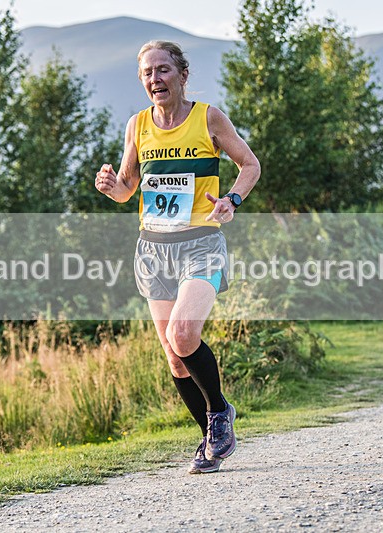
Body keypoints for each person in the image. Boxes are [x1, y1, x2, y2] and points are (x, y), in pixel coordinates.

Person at [95, 40, 261, 473]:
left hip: (201, 242)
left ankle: (220, 412)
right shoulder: (137, 126)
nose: (156, 79)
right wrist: (112, 186)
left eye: (163, 70)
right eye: (148, 73)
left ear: (182, 74)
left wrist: (232, 200)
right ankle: (210, 436)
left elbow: (250, 165)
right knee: (173, 354)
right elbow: (128, 188)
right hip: (153, 249)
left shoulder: (208, 118)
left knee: (184, 334)